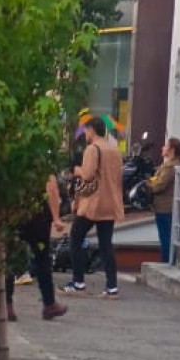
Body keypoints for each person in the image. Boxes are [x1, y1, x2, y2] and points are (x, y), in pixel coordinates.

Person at [62, 115, 124, 298]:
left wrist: (75, 171)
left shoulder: (92, 149)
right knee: (106, 245)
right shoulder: (114, 150)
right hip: (111, 202)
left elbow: (88, 175)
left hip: (93, 203)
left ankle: (78, 283)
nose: (85, 134)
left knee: (75, 237)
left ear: (91, 130)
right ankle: (112, 287)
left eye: (86, 130)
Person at [5, 175, 68, 321]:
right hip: (37, 214)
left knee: (9, 259)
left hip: (12, 212)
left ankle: (6, 305)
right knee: (42, 259)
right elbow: (50, 186)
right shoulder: (39, 156)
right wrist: (56, 218)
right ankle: (49, 304)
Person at [147, 137, 180, 263]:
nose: (162, 148)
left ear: (172, 149)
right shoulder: (172, 164)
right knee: (166, 236)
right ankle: (168, 260)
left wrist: (148, 186)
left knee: (165, 237)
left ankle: (166, 261)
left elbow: (160, 185)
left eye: (165, 146)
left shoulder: (170, 166)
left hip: (165, 207)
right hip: (166, 206)